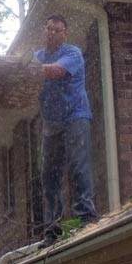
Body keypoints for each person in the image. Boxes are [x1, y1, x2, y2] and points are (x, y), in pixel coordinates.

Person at [35, 15, 98, 246]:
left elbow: (55, 72)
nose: (51, 33)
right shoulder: (38, 56)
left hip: (75, 117)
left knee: (78, 164)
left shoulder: (72, 53)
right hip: (51, 123)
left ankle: (87, 216)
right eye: (48, 28)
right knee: (49, 175)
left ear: (65, 33)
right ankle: (52, 229)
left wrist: (29, 70)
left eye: (57, 30)